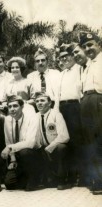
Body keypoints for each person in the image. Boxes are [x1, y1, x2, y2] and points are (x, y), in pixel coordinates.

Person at [57, 43, 84, 186]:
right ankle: (70, 176)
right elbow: (58, 95)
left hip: (75, 106)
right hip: (62, 108)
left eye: (66, 56)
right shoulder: (61, 74)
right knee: (65, 141)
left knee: (77, 141)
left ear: (72, 56)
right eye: (61, 58)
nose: (64, 60)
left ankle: (81, 176)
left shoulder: (80, 69)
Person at [79, 31, 102, 194]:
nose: (88, 48)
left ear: (99, 44)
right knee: (90, 142)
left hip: (99, 100)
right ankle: (97, 179)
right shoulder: (87, 66)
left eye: (91, 44)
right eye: (85, 46)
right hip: (86, 102)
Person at [1, 95, 39, 191]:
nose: (12, 109)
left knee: (25, 151)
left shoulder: (32, 118)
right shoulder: (7, 120)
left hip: (33, 154)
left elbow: (30, 143)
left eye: (15, 106)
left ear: (22, 107)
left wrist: (10, 147)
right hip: (17, 156)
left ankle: (33, 179)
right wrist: (13, 160)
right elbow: (8, 141)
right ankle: (26, 177)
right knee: (9, 184)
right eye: (9, 107)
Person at [34, 92, 70, 190]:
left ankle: (63, 180)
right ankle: (40, 179)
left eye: (42, 100)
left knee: (61, 147)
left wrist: (50, 147)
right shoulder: (34, 116)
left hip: (54, 147)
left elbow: (64, 136)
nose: (39, 103)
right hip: (43, 149)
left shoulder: (56, 114)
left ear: (49, 103)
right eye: (37, 101)